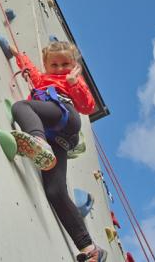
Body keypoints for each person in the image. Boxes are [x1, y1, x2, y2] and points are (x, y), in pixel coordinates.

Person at [9, 41, 108, 262]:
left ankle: (38, 141)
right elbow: (31, 70)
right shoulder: (43, 79)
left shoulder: (71, 80)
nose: (60, 68)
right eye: (54, 64)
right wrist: (16, 52)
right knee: (55, 191)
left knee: (21, 107)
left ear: (73, 65)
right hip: (58, 140)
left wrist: (74, 84)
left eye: (66, 63)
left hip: (65, 115)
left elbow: (87, 107)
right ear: (46, 65)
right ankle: (90, 249)